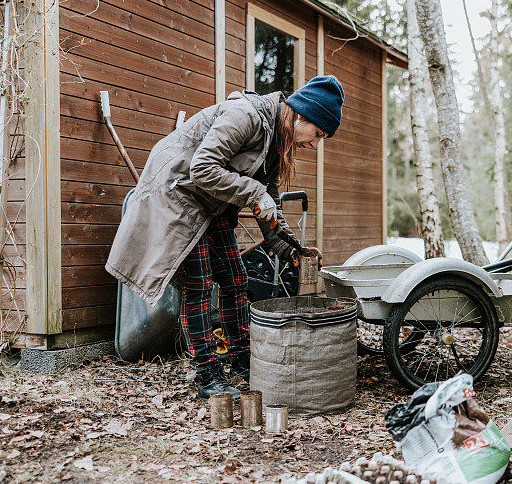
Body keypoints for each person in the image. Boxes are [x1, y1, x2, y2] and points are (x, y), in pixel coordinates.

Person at [106, 76, 345, 400]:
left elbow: (267, 198)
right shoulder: (246, 116)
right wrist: (255, 193)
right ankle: (209, 375)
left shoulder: (277, 138)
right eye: (318, 134)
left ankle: (241, 359)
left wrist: (288, 246)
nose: (316, 145)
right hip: (178, 195)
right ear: (301, 114)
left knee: (235, 278)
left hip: (212, 202)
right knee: (200, 285)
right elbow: (202, 169)